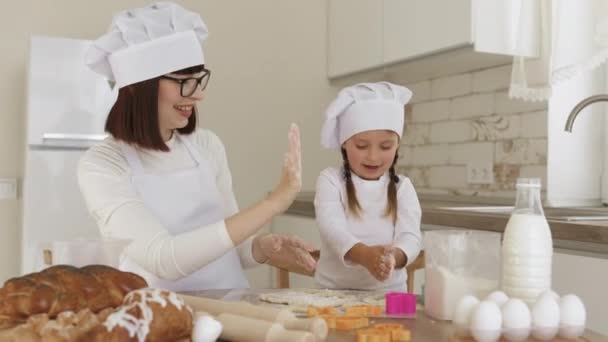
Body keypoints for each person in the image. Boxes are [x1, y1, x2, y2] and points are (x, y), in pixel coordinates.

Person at [78, 2, 315, 291]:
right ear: (141, 86)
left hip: (231, 313)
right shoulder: (103, 164)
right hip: (158, 322)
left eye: (199, 79)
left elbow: (230, 246)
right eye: (184, 82)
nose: (199, 94)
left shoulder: (207, 145)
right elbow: (163, 259)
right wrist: (274, 203)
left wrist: (264, 249)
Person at [313, 82, 422, 291]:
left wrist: (393, 257)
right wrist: (365, 256)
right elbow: (332, 228)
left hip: (388, 296)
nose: (373, 156)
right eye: (362, 146)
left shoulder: (403, 188)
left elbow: (411, 236)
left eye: (385, 146)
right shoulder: (330, 180)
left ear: (397, 144)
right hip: (332, 294)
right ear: (344, 143)